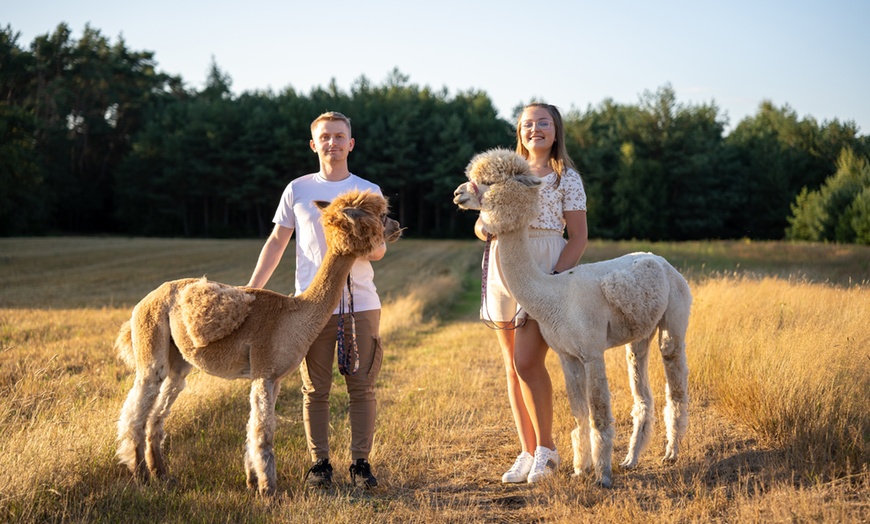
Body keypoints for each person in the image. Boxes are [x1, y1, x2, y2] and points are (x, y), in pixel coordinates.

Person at [247, 111, 386, 489]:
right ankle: (319, 465)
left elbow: (379, 251)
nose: (333, 142)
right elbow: (277, 242)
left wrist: (357, 242)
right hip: (309, 306)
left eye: (340, 136)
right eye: (325, 136)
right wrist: (253, 290)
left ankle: (361, 464)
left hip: (361, 302)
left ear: (351, 143)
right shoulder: (298, 189)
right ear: (314, 144)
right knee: (315, 388)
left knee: (362, 385)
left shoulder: (367, 190)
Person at [474, 103, 588, 483]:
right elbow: (480, 226)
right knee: (511, 366)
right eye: (527, 124)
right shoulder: (504, 176)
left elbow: (579, 237)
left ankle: (547, 450)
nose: (535, 129)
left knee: (527, 361)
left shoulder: (564, 178)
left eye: (543, 123)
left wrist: (555, 279)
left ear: (556, 132)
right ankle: (526, 451)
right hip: (504, 261)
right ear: (519, 132)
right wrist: (489, 223)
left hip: (544, 266)